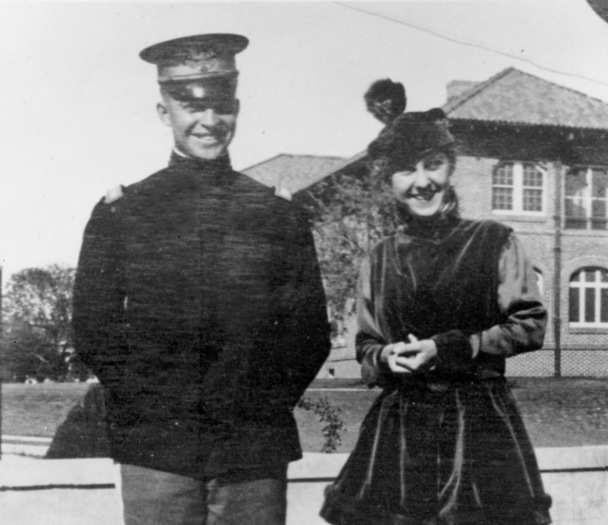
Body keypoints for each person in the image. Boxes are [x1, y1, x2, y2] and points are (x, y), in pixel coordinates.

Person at [73, 33, 330, 525]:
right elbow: (94, 331)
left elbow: (308, 334)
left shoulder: (277, 214)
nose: (209, 122)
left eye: (221, 106)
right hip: (157, 451)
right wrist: (154, 410)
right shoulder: (123, 213)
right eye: (191, 106)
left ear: (237, 107)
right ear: (163, 111)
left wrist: (257, 407)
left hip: (252, 450)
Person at [321, 108, 552, 525]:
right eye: (406, 170)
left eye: (433, 165)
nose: (422, 182)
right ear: (389, 179)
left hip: (479, 429)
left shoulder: (493, 240)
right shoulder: (378, 259)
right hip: (398, 438)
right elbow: (366, 346)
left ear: (450, 168)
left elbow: (530, 325)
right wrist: (386, 356)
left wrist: (450, 349)